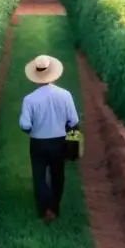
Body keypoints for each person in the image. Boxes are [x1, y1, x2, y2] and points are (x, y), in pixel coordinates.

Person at [19, 54, 80, 223]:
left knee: (39, 177)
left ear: (35, 76)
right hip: (59, 142)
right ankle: (54, 207)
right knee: (57, 175)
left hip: (38, 142)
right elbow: (74, 121)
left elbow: (24, 125)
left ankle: (44, 208)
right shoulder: (65, 95)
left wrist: (35, 129)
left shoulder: (29, 99)